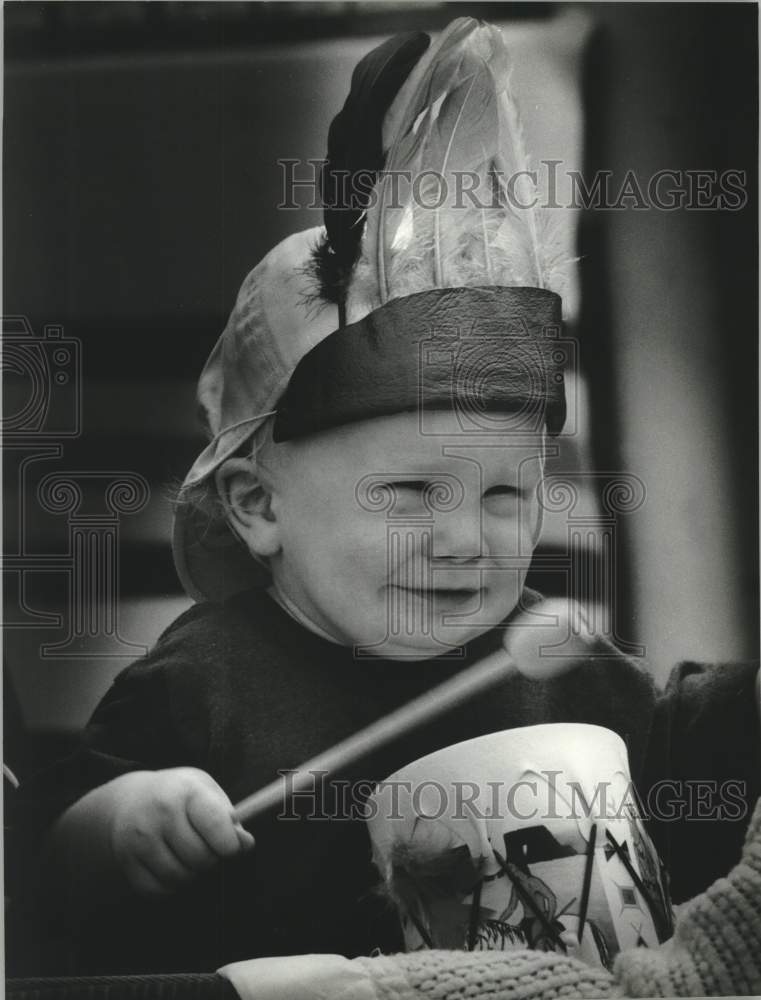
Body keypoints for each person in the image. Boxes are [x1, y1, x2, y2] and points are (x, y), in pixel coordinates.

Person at [16, 17, 759, 981]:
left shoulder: (559, 660)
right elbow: (39, 884)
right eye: (408, 491)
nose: (462, 537)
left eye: (506, 492)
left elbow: (687, 764)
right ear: (256, 506)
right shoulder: (199, 690)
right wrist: (121, 828)